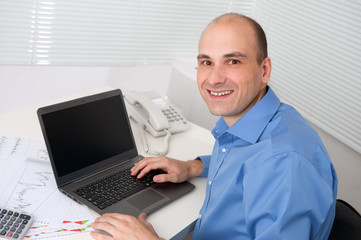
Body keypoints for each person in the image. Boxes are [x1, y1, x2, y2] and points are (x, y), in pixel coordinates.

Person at [91, 13, 338, 240]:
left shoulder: (286, 164)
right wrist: (194, 166)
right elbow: (246, 159)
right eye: (207, 62)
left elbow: (269, 166)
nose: (214, 78)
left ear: (264, 70)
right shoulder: (262, 120)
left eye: (232, 61)